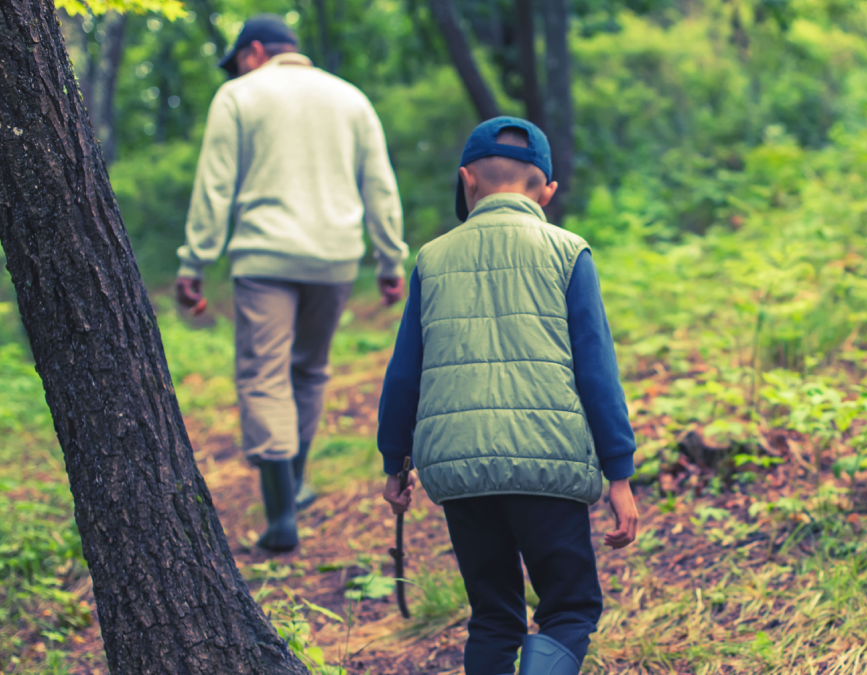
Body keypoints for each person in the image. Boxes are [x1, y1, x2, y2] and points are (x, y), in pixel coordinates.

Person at [377, 117, 639, 675]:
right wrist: (619, 473)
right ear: (547, 191)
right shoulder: (567, 252)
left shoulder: (432, 258)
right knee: (570, 606)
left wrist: (393, 461)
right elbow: (597, 369)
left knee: (493, 616)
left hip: (460, 469)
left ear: (466, 181)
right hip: (547, 461)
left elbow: (405, 372)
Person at [175, 14, 408, 553]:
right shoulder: (351, 99)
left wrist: (195, 263)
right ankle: (296, 485)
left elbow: (215, 186)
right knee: (309, 370)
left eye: (237, 62)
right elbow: (379, 184)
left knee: (263, 374)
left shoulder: (239, 96)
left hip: (264, 258)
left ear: (254, 51)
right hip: (335, 260)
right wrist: (389, 260)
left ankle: (281, 515)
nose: (235, 71)